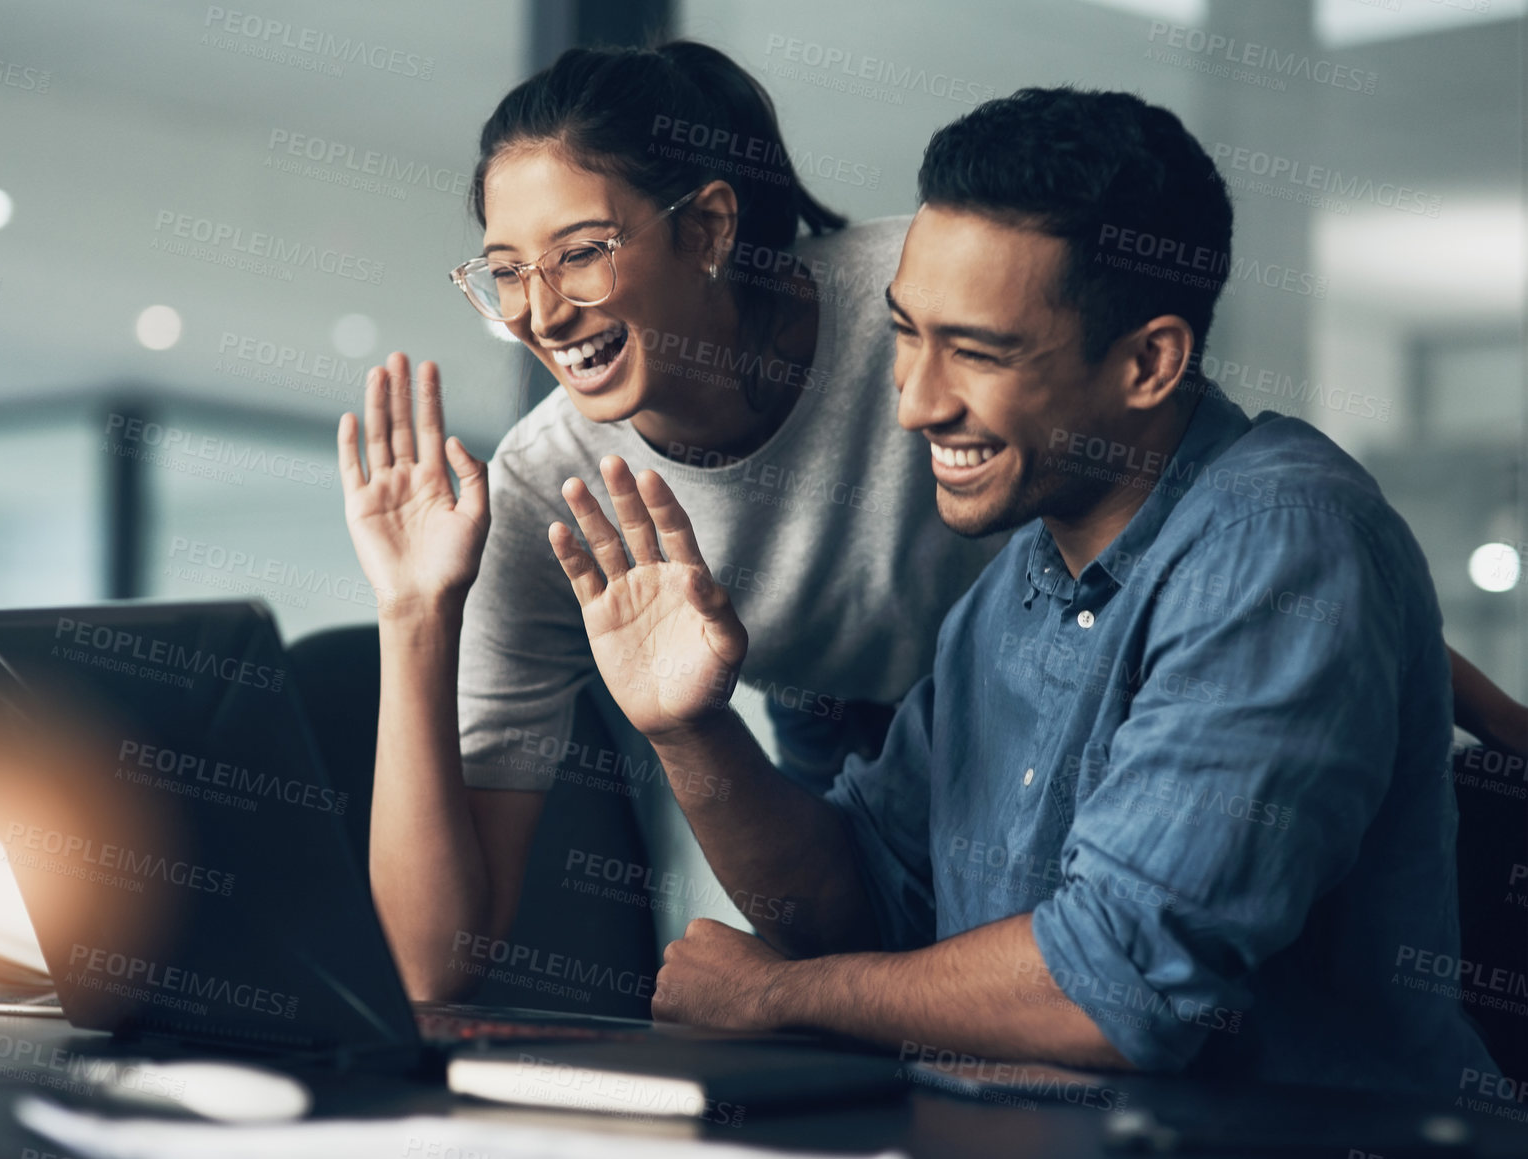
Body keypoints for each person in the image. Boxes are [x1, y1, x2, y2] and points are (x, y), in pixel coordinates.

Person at [541, 87, 1500, 1094]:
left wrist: (779, 995)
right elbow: (860, 901)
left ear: (1148, 362)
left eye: (977, 352)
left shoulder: (1285, 541)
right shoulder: (1019, 587)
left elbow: (1118, 988)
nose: (914, 401)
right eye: (907, 333)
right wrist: (691, 730)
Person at [335, 41, 996, 1000]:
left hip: (1040, 692)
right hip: (827, 736)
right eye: (507, 272)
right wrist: (412, 609)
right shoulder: (542, 492)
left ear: (708, 229)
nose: (543, 313)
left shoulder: (916, 297)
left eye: (582, 254)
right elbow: (432, 964)